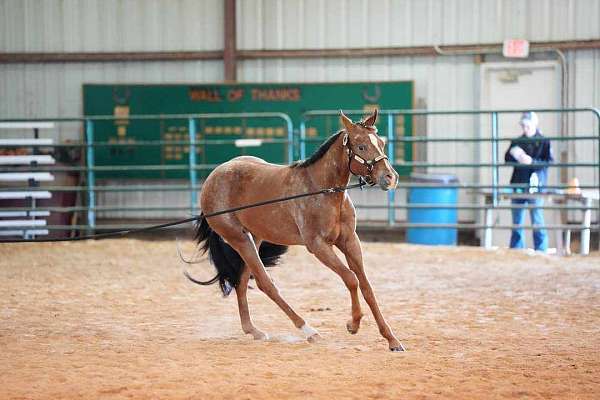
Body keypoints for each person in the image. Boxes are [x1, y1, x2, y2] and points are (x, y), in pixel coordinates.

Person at [504, 111, 554, 252]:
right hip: (519, 183)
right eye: (523, 125)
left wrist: (532, 161)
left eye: (527, 125)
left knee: (537, 218)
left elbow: (549, 162)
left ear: (534, 124)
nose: (525, 128)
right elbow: (507, 159)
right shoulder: (517, 142)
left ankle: (541, 249)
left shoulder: (544, 141)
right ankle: (516, 249)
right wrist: (515, 154)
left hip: (535, 184)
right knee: (517, 220)